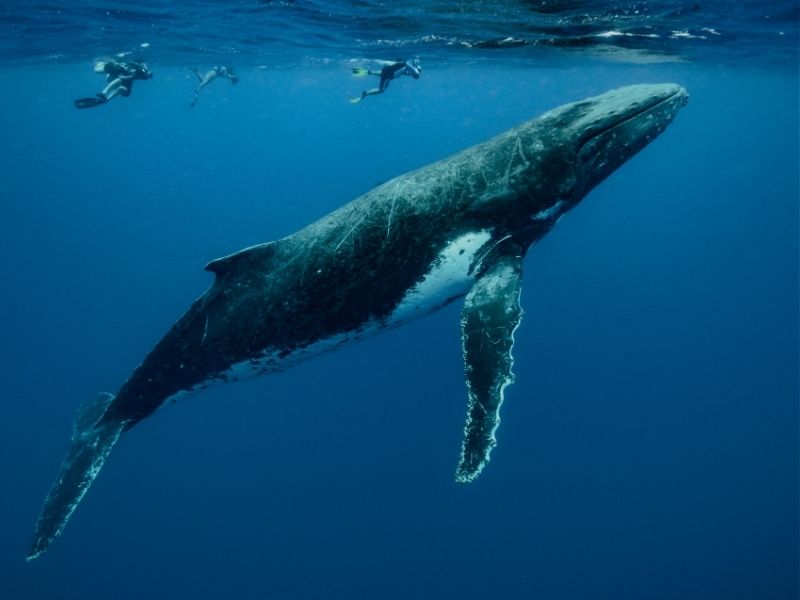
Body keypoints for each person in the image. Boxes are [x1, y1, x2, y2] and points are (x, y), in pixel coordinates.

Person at [74, 61, 153, 109]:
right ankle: (104, 93)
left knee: (122, 88)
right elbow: (120, 77)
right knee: (98, 71)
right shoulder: (125, 68)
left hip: (124, 81)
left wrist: (147, 74)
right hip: (116, 74)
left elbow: (148, 74)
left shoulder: (141, 74)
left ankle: (106, 98)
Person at [350, 58, 422, 103]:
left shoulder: (405, 66)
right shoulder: (408, 65)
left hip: (386, 70)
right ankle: (366, 94)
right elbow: (416, 75)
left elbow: (408, 73)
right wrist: (417, 70)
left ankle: (368, 72)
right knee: (381, 90)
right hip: (389, 75)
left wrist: (414, 71)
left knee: (382, 74)